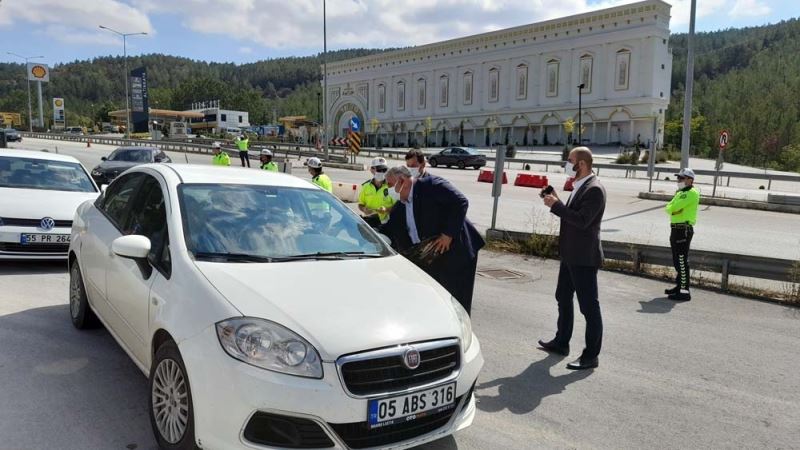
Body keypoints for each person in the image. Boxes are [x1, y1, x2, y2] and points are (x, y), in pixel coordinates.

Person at [539, 147, 607, 371]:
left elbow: (582, 220)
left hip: (584, 258)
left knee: (589, 308)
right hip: (570, 255)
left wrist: (556, 206)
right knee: (563, 297)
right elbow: (573, 215)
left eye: (570, 161)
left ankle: (590, 356)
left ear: (583, 164)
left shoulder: (594, 189)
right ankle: (561, 342)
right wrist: (558, 201)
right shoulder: (581, 186)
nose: (567, 164)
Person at [383, 166, 484, 314]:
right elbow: (391, 229)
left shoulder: (432, 185)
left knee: (456, 303)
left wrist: (448, 234)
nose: (389, 190)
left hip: (458, 252)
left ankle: (460, 333)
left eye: (391, 185)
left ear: (402, 180)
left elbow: (460, 202)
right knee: (437, 302)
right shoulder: (401, 207)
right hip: (434, 256)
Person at [664, 168, 700, 301]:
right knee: (676, 260)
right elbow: (669, 208)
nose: (678, 180)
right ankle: (679, 286)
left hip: (683, 230)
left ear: (690, 180)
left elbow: (672, 208)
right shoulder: (680, 192)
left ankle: (684, 291)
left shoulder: (690, 193)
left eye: (681, 178)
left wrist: (674, 210)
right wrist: (674, 210)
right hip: (675, 229)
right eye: (678, 178)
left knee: (681, 261)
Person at [358, 157, 395, 227]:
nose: (381, 172)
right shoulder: (365, 187)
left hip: (386, 224)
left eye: (384, 170)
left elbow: (397, 207)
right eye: (379, 169)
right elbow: (360, 204)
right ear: (372, 170)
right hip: (370, 223)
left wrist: (386, 210)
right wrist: (364, 209)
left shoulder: (391, 187)